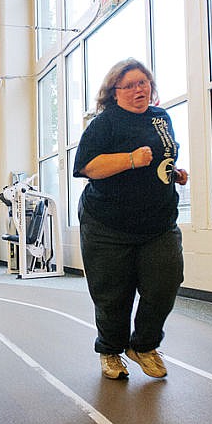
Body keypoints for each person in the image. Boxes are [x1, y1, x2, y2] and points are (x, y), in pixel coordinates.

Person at [72, 58, 188, 380]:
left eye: (143, 83)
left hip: (159, 222)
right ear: (115, 92)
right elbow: (87, 167)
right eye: (131, 85)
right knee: (113, 294)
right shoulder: (105, 123)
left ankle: (144, 345)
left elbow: (164, 155)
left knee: (165, 283)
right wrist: (131, 160)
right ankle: (110, 350)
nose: (139, 89)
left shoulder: (161, 118)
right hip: (107, 224)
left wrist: (174, 173)